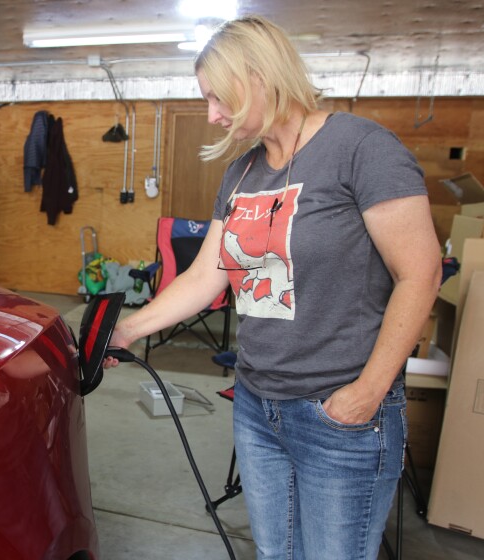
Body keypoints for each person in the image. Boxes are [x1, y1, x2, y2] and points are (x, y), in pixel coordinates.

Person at [105, 15, 442, 559]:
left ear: (259, 76)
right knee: (275, 553)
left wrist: (367, 393)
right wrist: (126, 330)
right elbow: (206, 274)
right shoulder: (242, 173)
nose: (213, 116)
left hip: (339, 410)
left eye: (219, 98)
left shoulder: (361, 148)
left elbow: (420, 273)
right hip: (259, 406)